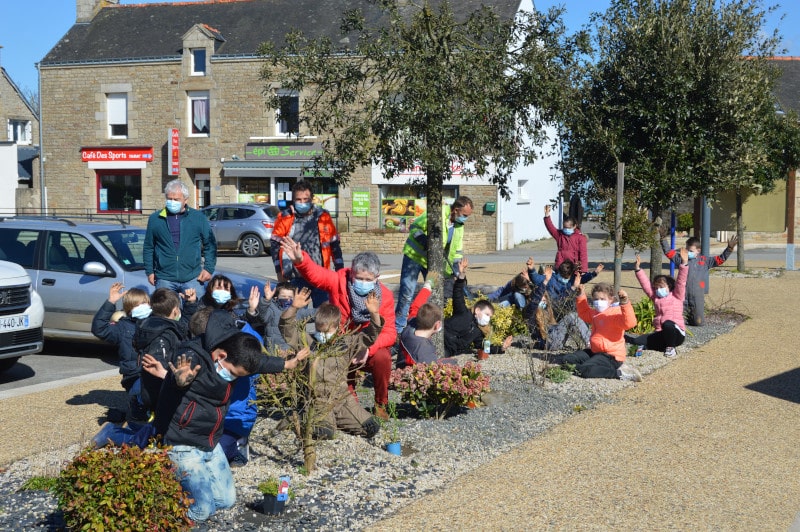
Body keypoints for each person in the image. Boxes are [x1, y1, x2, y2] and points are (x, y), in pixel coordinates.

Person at [150, 310, 308, 522]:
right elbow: (177, 381)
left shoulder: (236, 352)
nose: (233, 378)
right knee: (202, 511)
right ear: (221, 357)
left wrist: (287, 364)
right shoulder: (191, 358)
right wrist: (179, 380)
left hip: (210, 438)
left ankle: (183, 487)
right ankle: (160, 512)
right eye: (234, 373)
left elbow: (258, 363)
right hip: (182, 441)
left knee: (225, 501)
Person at [281, 236, 396, 420]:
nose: (363, 282)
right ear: (351, 274)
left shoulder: (386, 297)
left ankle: (381, 403)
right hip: (341, 343)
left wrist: (368, 349)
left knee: (383, 357)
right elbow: (317, 275)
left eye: (368, 279)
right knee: (339, 366)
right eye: (358, 278)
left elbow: (390, 332)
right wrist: (300, 260)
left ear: (377, 278)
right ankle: (351, 404)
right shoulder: (339, 280)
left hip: (367, 344)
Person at [280, 287, 382, 439]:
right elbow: (286, 329)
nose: (323, 335)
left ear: (337, 327)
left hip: (342, 399)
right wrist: (294, 307)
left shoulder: (346, 342)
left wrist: (374, 313)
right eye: (320, 331)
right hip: (318, 400)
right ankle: (304, 418)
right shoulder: (307, 342)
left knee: (371, 427)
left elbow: (370, 337)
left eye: (327, 332)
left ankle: (337, 420)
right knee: (324, 433)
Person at [395, 196, 474, 333]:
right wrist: (425, 240)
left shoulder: (459, 226)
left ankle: (425, 326)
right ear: (456, 210)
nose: (466, 219)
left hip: (432, 263)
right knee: (407, 293)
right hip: (415, 256)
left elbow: (456, 250)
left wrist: (453, 271)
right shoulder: (437, 213)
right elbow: (415, 226)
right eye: (465, 215)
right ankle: (399, 329)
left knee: (433, 293)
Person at [269, 180, 344, 307]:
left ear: (312, 199)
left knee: (324, 316)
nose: (302, 203)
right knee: (295, 316)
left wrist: (340, 272)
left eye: (306, 199)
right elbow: (275, 246)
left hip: (321, 275)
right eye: (299, 199)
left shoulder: (324, 216)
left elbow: (334, 245)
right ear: (293, 200)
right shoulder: (285, 217)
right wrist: (279, 273)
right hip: (296, 277)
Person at [91, 282, 151, 423]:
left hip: (153, 372)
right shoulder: (123, 327)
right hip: (134, 375)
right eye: (139, 304)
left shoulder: (155, 323)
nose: (144, 307)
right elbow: (99, 329)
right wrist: (111, 302)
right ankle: (137, 410)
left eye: (146, 303)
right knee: (141, 395)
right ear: (130, 308)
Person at [143, 179, 216, 295]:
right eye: (169, 199)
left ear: (185, 200)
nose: (172, 202)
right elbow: (148, 247)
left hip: (192, 278)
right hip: (164, 278)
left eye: (176, 199)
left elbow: (210, 244)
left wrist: (209, 268)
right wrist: (149, 271)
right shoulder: (155, 219)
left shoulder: (198, 217)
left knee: (197, 311)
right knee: (164, 312)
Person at [561, 281, 640, 381]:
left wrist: (624, 303)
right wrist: (581, 295)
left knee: (585, 370)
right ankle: (581, 368)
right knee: (567, 360)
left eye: (602, 299)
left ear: (611, 299)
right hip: (595, 351)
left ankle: (619, 373)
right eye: (596, 299)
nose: (599, 302)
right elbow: (584, 313)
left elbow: (630, 323)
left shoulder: (615, 313)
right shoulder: (595, 313)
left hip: (611, 356)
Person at [661, 231, 738, 326]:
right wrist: (663, 239)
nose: (688, 252)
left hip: (697, 296)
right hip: (682, 295)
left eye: (691, 251)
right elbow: (668, 252)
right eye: (687, 250)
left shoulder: (705, 261)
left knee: (698, 323)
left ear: (698, 250)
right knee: (679, 322)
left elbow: (720, 259)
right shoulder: (681, 258)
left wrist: (729, 249)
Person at [443, 258, 512, 358]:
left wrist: (502, 347)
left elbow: (483, 347)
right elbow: (457, 294)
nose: (488, 318)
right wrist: (461, 275)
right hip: (440, 339)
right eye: (487, 314)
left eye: (490, 316)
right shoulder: (462, 312)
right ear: (477, 310)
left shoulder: (477, 332)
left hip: (448, 351)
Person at [628, 249, 689, 358]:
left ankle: (671, 348)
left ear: (669, 287)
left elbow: (681, 281)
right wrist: (638, 269)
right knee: (637, 340)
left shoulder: (677, 296)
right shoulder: (656, 297)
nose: (658, 289)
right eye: (656, 287)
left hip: (677, 334)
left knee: (667, 324)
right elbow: (646, 285)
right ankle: (648, 346)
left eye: (661, 287)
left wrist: (684, 264)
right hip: (661, 333)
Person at [249, 281, 316, 352]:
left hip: (292, 351)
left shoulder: (298, 311)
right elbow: (262, 317)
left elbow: (316, 314)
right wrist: (266, 300)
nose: (287, 299)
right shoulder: (272, 309)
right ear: (276, 297)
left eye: (290, 297)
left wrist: (327, 309)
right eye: (283, 296)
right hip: (274, 351)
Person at [396, 280, 447, 367]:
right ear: (437, 325)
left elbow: (416, 306)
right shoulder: (425, 352)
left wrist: (427, 286)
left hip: (401, 366)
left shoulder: (411, 325)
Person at [544, 204, 588, 271]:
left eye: (568, 228)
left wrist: (583, 270)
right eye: (564, 227)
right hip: (560, 266)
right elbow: (550, 227)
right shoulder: (559, 235)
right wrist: (547, 215)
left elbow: (583, 255)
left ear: (574, 226)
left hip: (574, 267)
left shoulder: (581, 238)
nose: (566, 229)